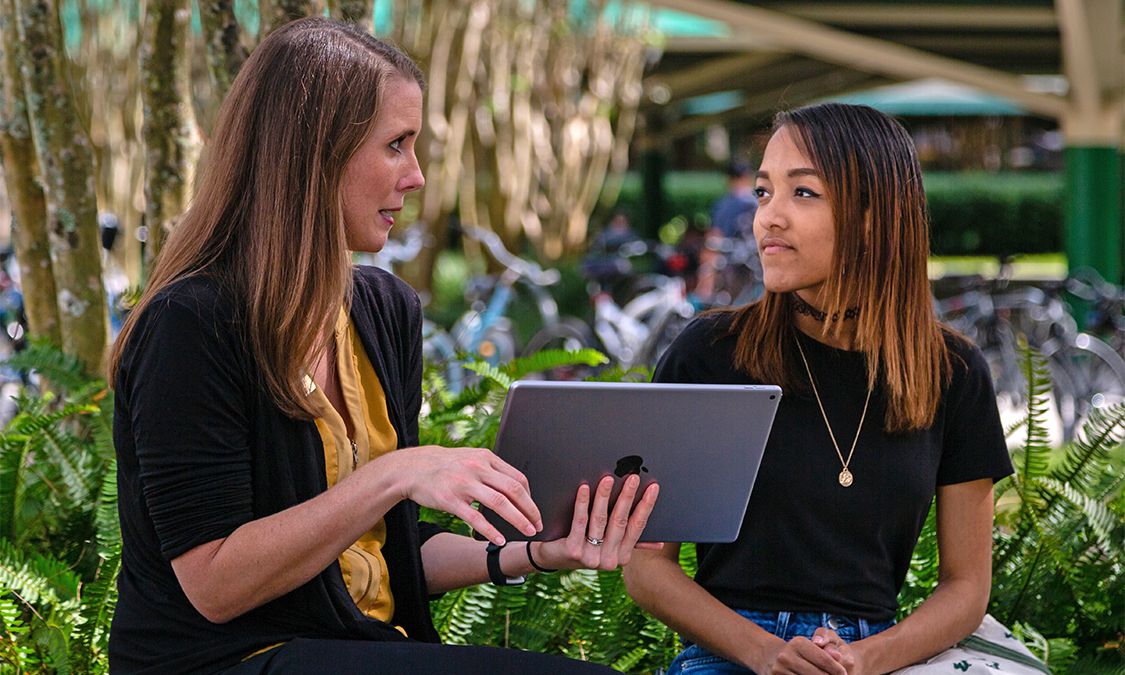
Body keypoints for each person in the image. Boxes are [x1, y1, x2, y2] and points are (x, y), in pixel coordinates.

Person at [108, 17, 658, 675]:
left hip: (357, 651)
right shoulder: (190, 323)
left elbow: (382, 553)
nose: (418, 176)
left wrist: (535, 549)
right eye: (396, 144)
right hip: (224, 659)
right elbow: (215, 582)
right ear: (315, 153)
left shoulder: (382, 310)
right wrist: (396, 472)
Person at [623, 103, 1013, 675]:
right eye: (762, 193)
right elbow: (648, 567)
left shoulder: (953, 372)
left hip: (878, 658)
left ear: (875, 216)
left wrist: (860, 660)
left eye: (802, 193)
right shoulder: (708, 353)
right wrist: (767, 654)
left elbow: (966, 588)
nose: (767, 218)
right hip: (730, 654)